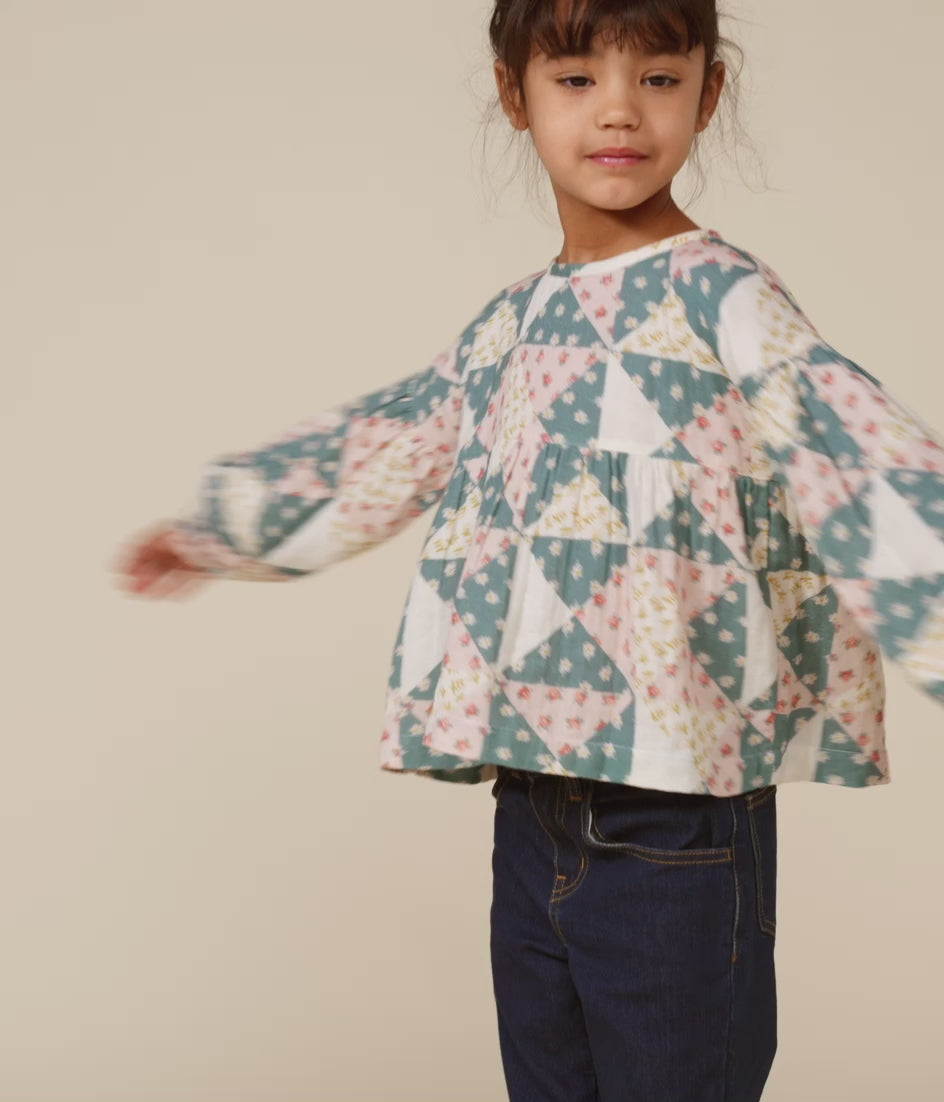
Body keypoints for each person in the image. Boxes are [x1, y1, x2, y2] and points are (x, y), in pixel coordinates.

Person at [112, 2, 944, 1099]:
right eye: (575, 78)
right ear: (514, 94)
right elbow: (391, 444)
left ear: (708, 92)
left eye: (657, 78)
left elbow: (865, 453)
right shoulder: (510, 323)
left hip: (676, 820)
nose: (618, 110)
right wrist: (223, 526)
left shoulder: (721, 297)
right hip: (531, 807)